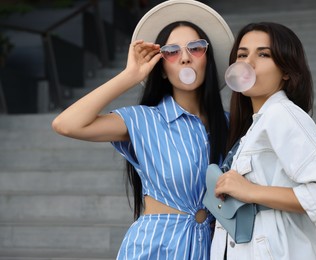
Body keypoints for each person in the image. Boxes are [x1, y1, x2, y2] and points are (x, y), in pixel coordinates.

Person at [51, 1, 234, 259]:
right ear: (161, 67)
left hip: (208, 247)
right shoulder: (144, 120)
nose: (185, 57)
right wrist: (130, 76)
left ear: (208, 58)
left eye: (196, 48)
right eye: (171, 51)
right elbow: (66, 124)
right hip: (156, 247)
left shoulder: (227, 124)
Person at [210, 22, 316, 260]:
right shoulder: (255, 125)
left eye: (263, 54)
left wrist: (251, 191)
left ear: (286, 71)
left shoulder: (283, 115)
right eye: (242, 54)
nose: (248, 63)